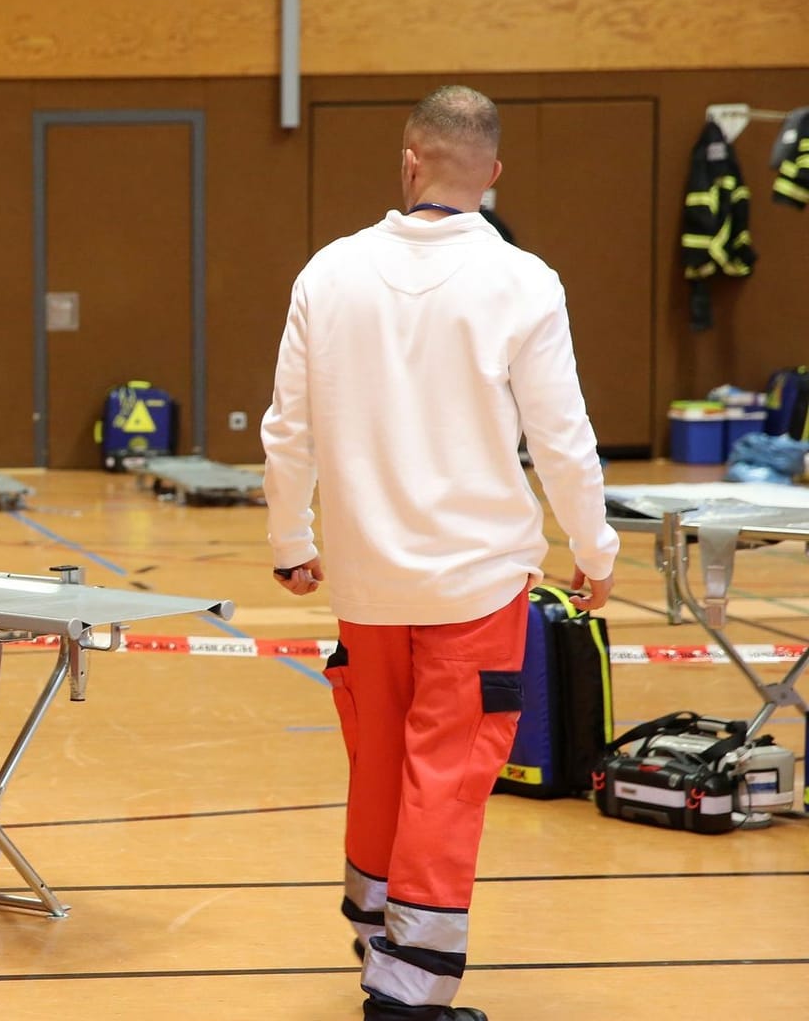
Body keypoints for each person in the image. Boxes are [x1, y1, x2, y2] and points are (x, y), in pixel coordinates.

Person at [258, 85, 617, 1021]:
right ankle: (409, 992)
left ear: (407, 159)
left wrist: (290, 540)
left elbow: (285, 431)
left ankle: (380, 940)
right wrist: (596, 546)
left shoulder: (326, 272)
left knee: (380, 762)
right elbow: (563, 436)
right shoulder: (522, 280)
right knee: (448, 778)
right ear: (491, 176)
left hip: (368, 585)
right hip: (475, 586)